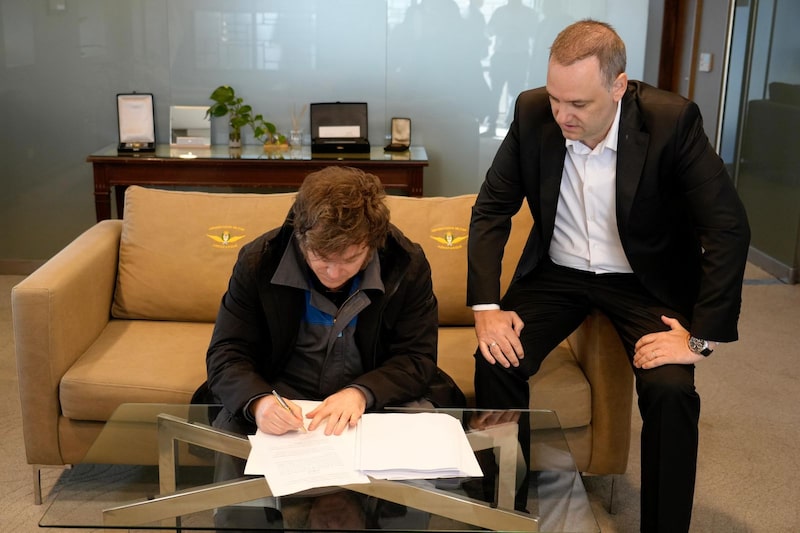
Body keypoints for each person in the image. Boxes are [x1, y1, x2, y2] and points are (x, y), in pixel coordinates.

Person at [467, 19, 750, 533]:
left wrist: (702, 339)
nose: (562, 115)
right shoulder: (533, 113)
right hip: (558, 273)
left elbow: (728, 228)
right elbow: (491, 210)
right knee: (497, 356)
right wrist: (486, 310)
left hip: (643, 281)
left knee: (670, 390)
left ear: (619, 86)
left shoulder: (672, 121)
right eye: (556, 98)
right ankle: (506, 506)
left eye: (579, 104)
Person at [202, 165, 463, 528]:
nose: (334, 274)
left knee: (415, 476)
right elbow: (226, 352)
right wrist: (259, 402)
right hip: (282, 395)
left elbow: (416, 358)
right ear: (300, 237)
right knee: (237, 484)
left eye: (351, 260)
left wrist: (361, 392)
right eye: (322, 259)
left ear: (374, 241)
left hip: (377, 395)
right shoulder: (258, 260)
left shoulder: (407, 263)